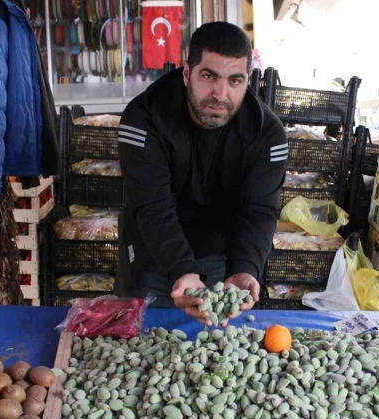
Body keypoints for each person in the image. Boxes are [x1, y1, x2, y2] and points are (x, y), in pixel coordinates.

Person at [115, 22, 287, 326]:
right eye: (209, 76)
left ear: (248, 79)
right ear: (186, 73)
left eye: (235, 80)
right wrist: (182, 269)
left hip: (224, 259)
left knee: (214, 354)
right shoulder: (143, 118)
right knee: (142, 346)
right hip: (153, 253)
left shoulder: (267, 133)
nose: (220, 94)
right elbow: (152, 204)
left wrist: (245, 267)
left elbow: (260, 209)